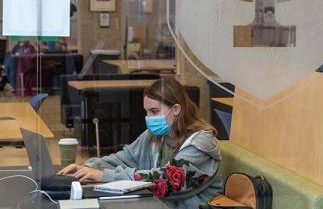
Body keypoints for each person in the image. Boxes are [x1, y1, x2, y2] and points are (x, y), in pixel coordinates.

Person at [58, 78, 222, 208]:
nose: (149, 118)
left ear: (176, 109)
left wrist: (103, 175)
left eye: (154, 111)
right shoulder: (156, 135)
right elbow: (124, 158)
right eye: (147, 112)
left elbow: (167, 181)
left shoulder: (201, 143)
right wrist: (89, 167)